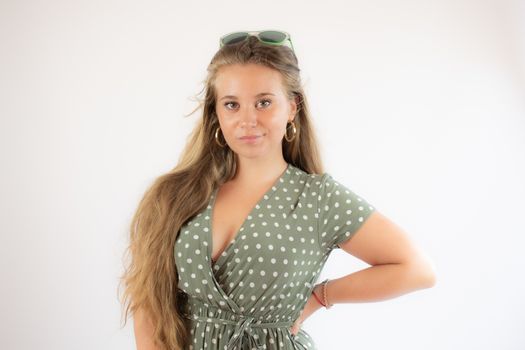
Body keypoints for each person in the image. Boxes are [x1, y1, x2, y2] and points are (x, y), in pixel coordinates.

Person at [119, 30, 437, 350]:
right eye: (232, 104)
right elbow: (148, 303)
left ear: (292, 108)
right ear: (215, 112)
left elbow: (417, 269)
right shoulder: (173, 195)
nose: (247, 119)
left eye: (264, 102)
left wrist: (321, 296)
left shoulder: (318, 199)